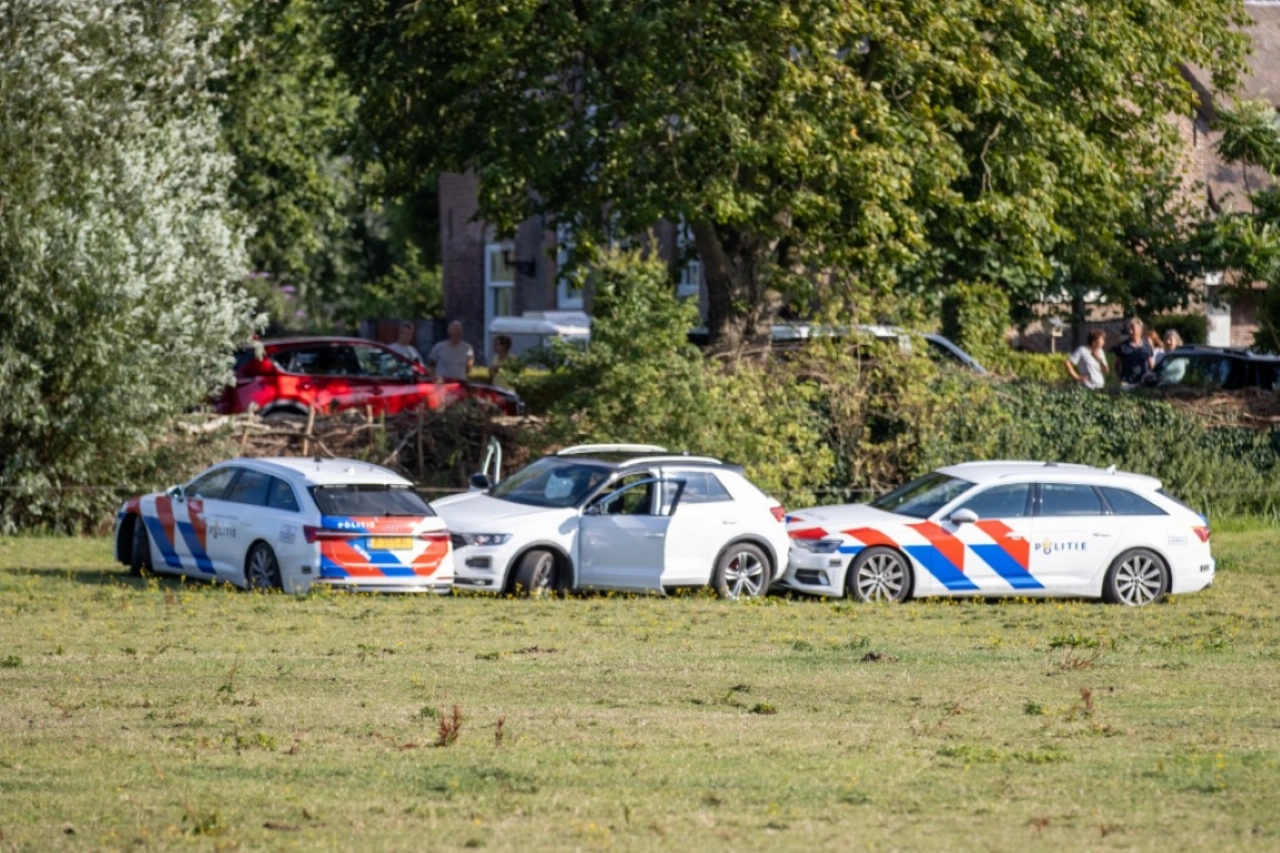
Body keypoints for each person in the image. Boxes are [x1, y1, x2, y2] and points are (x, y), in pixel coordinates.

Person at [1112, 317, 1153, 390]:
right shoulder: (1122, 346)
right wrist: (1120, 380)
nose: (1130, 332)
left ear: (1140, 330)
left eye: (1133, 329)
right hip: (1127, 384)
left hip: (1143, 384)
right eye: (1129, 329)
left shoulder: (1147, 347)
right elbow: (1116, 366)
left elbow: (1151, 366)